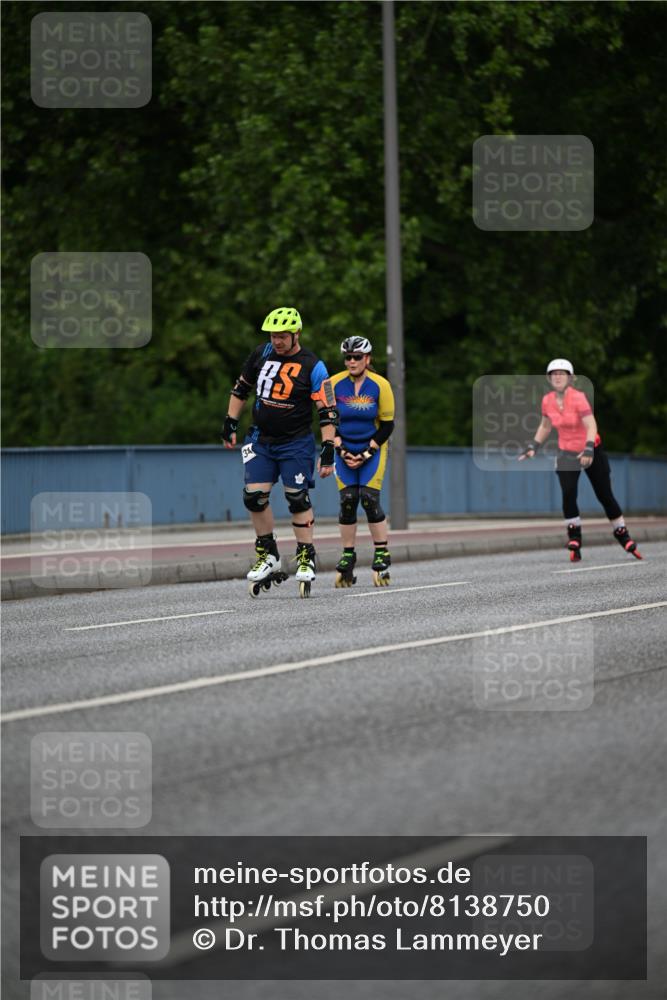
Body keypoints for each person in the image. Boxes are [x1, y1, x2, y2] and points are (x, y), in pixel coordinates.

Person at [221, 307, 337, 597]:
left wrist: (328, 448)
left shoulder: (314, 365)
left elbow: (328, 411)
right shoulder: (260, 354)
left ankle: (306, 555)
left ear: (296, 334)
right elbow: (240, 389)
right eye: (273, 335)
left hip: (295, 442)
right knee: (253, 497)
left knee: (296, 497)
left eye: (283, 336)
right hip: (261, 439)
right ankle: (268, 554)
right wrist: (230, 422)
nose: (277, 341)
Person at [518, 358, 642, 561]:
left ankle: (622, 534)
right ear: (549, 379)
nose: (558, 376)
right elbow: (545, 427)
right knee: (568, 493)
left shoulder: (578, 398)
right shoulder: (547, 400)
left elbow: (591, 426)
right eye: (554, 374)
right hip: (567, 452)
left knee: (604, 495)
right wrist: (534, 446)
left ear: (570, 378)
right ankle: (574, 537)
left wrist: (588, 449)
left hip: (591, 449)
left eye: (562, 373)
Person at [329, 336, 396, 586]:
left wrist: (367, 452)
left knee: (368, 499)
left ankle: (381, 552)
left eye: (357, 357)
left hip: (373, 448)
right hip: (342, 447)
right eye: (348, 357)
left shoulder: (381, 385)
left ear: (368, 359)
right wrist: (342, 449)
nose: (352, 361)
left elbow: (388, 425)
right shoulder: (333, 384)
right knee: (348, 500)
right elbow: (327, 422)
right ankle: (348, 556)